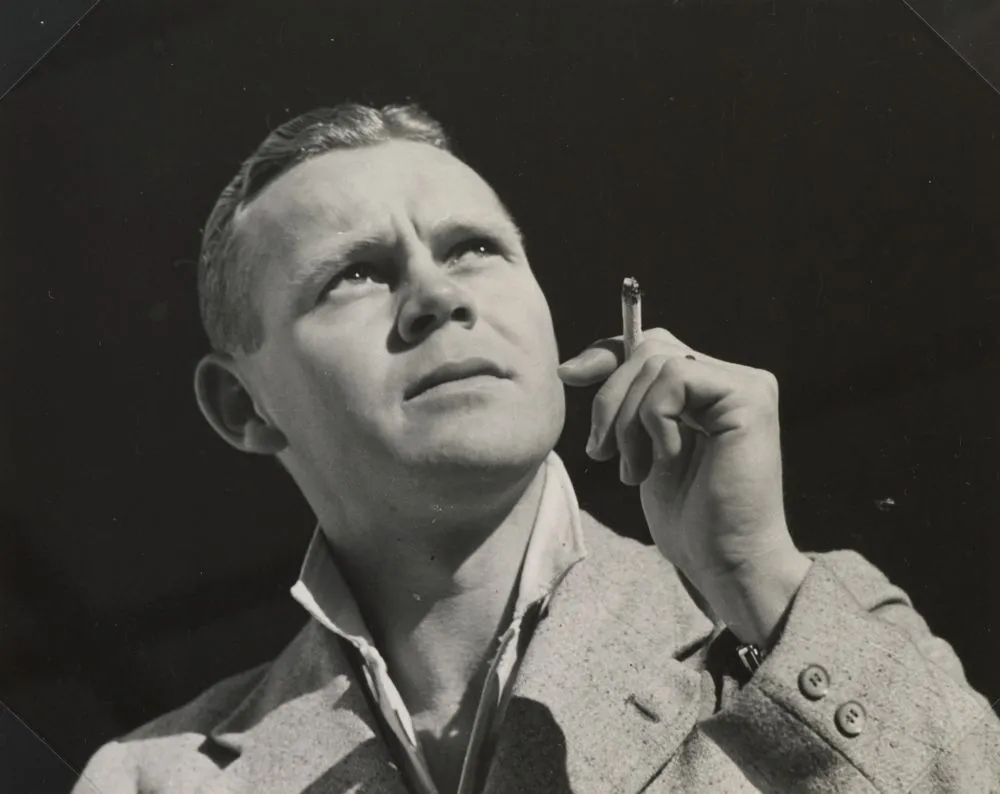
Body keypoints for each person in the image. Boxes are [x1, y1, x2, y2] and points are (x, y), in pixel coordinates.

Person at [72, 103, 999, 794]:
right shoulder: (151, 777)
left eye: (476, 249)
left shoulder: (810, 621)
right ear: (244, 405)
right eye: (357, 273)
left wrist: (752, 576)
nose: (441, 297)